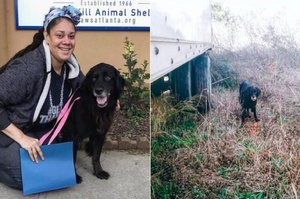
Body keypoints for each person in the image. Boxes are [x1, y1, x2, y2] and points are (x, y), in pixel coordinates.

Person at [0, 5, 84, 190]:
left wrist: (111, 99)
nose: (67, 41)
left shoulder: (70, 66)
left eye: (71, 36)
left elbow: (84, 89)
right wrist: (21, 138)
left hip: (37, 131)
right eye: (59, 35)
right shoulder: (28, 69)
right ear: (47, 36)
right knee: (28, 177)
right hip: (9, 133)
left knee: (60, 172)